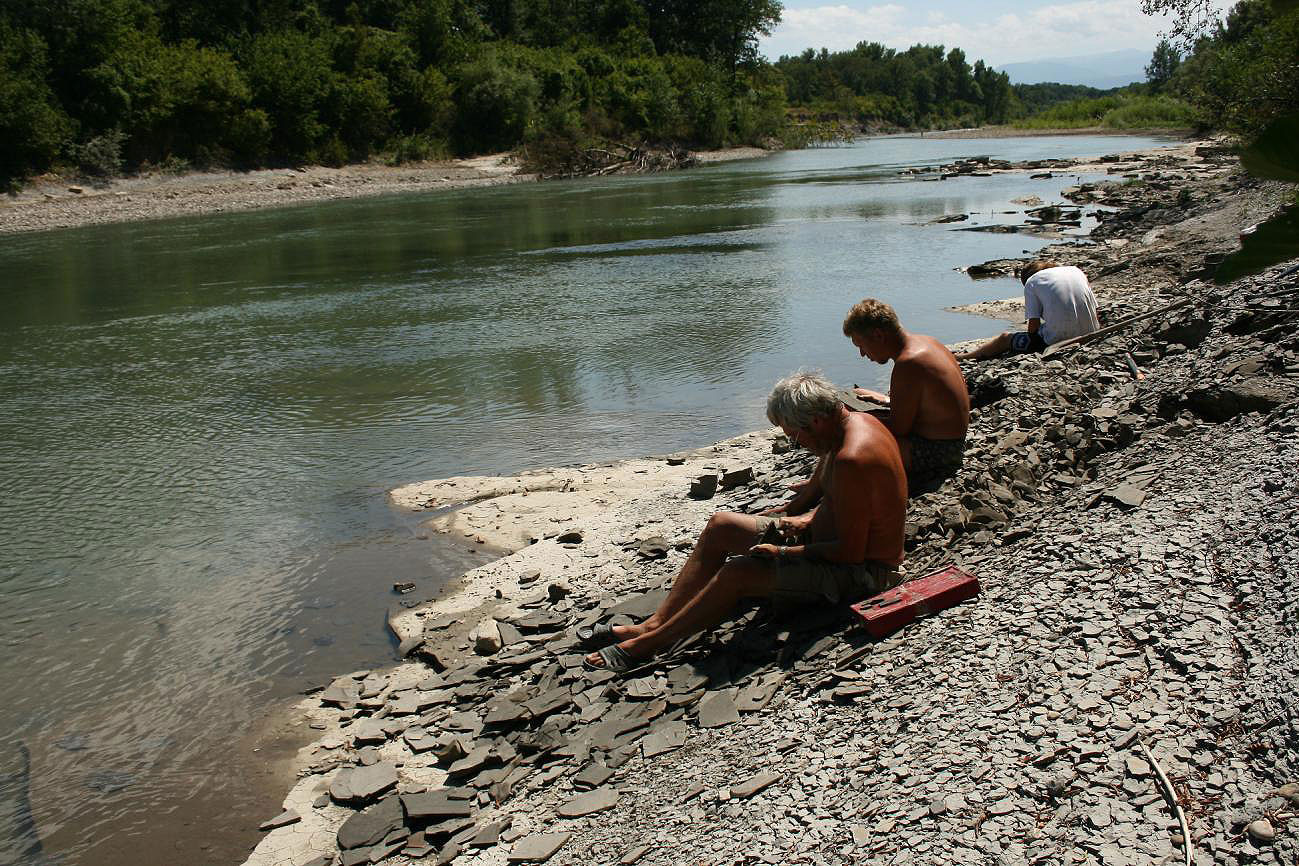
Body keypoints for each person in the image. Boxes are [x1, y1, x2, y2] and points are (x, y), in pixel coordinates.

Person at [581, 371, 907, 672]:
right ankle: (653, 624)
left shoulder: (853, 457)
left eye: (796, 437)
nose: (798, 445)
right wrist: (801, 519)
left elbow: (850, 552)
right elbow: (843, 506)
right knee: (721, 525)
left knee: (738, 573)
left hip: (864, 573)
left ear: (818, 421)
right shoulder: (849, 426)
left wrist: (782, 554)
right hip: (825, 539)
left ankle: (648, 645)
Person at [774, 299, 970, 509]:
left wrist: (854, 418)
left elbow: (899, 429)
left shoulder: (909, 363)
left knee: (842, 431)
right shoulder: (926, 342)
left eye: (861, 345)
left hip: (939, 452)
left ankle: (805, 500)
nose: (862, 354)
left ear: (878, 335)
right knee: (851, 411)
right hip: (950, 440)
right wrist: (881, 403)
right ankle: (819, 482)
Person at [955, 260, 1100, 361]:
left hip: (1059, 339)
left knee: (1005, 338)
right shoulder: (1075, 271)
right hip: (1092, 331)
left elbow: (1033, 327)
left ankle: (965, 357)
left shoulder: (1032, 282)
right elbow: (1094, 309)